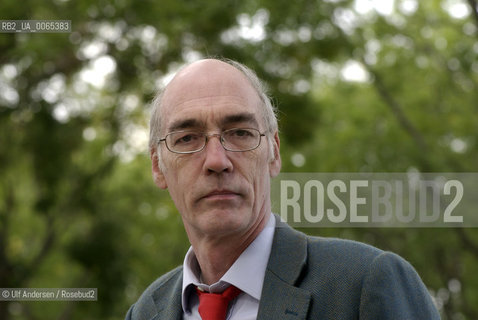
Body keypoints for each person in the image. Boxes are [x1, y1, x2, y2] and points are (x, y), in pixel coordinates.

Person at [125, 58, 440, 320]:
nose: (217, 161)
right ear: (157, 165)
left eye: (240, 133)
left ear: (273, 152)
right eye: (187, 139)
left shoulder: (365, 284)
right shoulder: (144, 312)